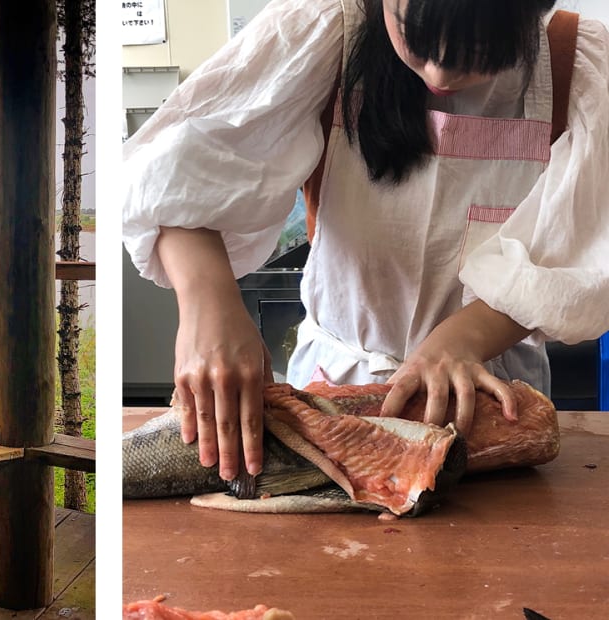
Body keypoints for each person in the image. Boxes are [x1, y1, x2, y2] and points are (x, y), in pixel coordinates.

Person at [122, 0, 609, 484]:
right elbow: (168, 170)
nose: (439, 71)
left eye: (476, 50)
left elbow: (584, 250)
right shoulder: (327, 26)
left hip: (487, 407)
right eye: (412, 36)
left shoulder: (576, 62)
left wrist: (463, 340)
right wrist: (209, 306)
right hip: (335, 392)